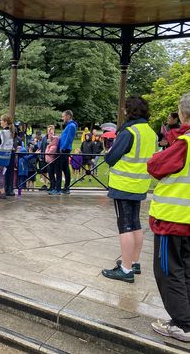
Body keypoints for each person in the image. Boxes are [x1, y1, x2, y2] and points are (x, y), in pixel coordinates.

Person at [147, 93, 190, 342]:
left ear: (182, 114)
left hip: (173, 218)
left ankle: (182, 324)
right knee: (186, 269)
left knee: (168, 271)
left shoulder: (184, 144)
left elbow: (155, 165)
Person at [102, 96, 157, 283]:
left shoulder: (129, 132)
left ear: (130, 110)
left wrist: (109, 152)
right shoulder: (151, 132)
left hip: (123, 184)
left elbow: (110, 159)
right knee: (135, 223)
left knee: (124, 226)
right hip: (140, 183)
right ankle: (134, 262)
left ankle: (125, 270)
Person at [53, 110, 77, 195]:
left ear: (68, 116)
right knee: (65, 168)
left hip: (64, 150)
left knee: (59, 168)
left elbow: (69, 139)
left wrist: (62, 148)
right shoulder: (70, 125)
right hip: (64, 149)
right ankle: (66, 188)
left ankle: (58, 189)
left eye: (63, 116)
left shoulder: (71, 126)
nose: (62, 118)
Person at [0, 114, 14, 199]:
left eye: (1, 120)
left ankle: (2, 192)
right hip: (7, 157)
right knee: (1, 174)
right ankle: (0, 191)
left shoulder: (2, 132)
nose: (0, 122)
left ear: (5, 122)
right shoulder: (11, 132)